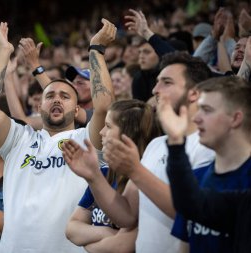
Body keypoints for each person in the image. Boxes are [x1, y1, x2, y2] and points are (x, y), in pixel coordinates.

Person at [0, 20, 115, 253]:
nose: (57, 99)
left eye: (65, 96)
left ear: (77, 108)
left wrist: (96, 49)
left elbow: (103, 107)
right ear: (39, 106)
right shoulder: (18, 139)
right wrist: (3, 52)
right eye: (49, 95)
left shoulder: (87, 139)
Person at [76, 52, 215, 253]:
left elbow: (195, 211)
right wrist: (94, 176)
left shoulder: (208, 146)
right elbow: (127, 216)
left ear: (193, 93)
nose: (155, 89)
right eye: (157, 82)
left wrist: (136, 171)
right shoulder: (156, 145)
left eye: (166, 82)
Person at [158, 76, 251, 252]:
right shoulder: (196, 176)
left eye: (207, 110)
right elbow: (185, 244)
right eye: (198, 109)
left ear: (236, 118)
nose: (196, 118)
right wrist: (176, 141)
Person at [64, 99, 160, 252]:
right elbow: (72, 229)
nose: (101, 132)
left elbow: (121, 246)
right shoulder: (104, 173)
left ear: (128, 135)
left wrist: (89, 242)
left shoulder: (147, 177)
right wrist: (109, 233)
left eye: (108, 126)